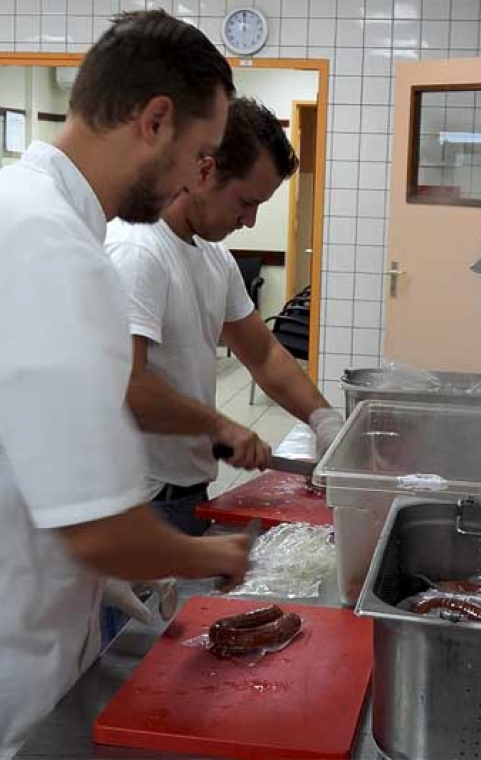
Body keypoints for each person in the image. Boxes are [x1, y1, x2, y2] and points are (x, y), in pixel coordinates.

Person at [0, 11, 251, 759]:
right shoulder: (43, 245)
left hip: (13, 638)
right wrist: (220, 558)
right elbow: (97, 527)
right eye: (199, 151)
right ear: (155, 120)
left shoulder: (26, 216)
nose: (197, 177)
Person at [106, 98, 346, 537]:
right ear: (204, 172)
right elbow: (127, 383)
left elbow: (264, 353)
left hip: (184, 494)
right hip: (138, 503)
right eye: (246, 202)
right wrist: (220, 427)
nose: (250, 222)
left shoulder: (213, 255)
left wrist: (324, 420)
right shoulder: (139, 251)